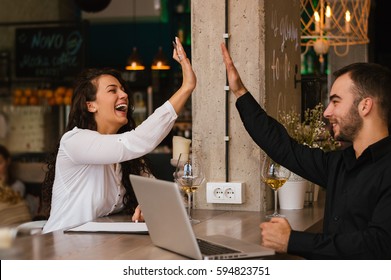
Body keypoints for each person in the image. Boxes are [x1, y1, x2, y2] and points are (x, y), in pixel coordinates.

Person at [221, 42, 391, 259]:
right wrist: (239, 91)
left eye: (336, 102)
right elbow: (284, 148)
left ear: (365, 106)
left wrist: (292, 240)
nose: (327, 112)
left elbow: (379, 244)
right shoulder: (339, 163)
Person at [42, 37, 196, 233]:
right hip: (60, 249)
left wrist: (150, 207)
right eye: (112, 90)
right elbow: (135, 141)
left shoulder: (127, 161)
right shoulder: (74, 141)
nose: (123, 95)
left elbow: (163, 197)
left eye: (123, 90)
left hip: (98, 250)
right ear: (91, 105)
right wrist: (186, 87)